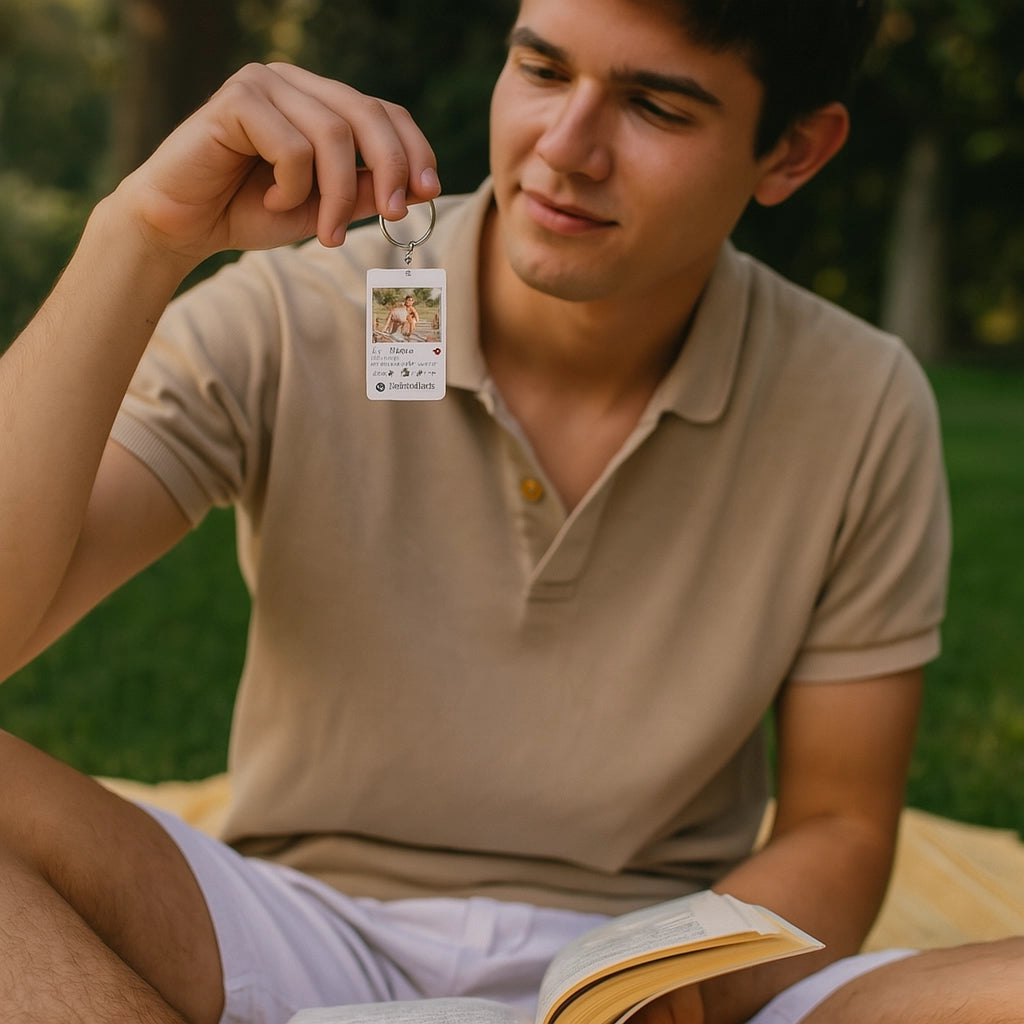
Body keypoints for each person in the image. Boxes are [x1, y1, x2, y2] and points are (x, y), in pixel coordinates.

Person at [0, 0, 1020, 1022]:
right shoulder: (291, 312)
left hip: (659, 955)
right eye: (540, 70)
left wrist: (692, 984)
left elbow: (840, 823)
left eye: (654, 107)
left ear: (793, 150)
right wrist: (138, 234)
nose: (564, 149)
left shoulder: (859, 398)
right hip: (298, 928)